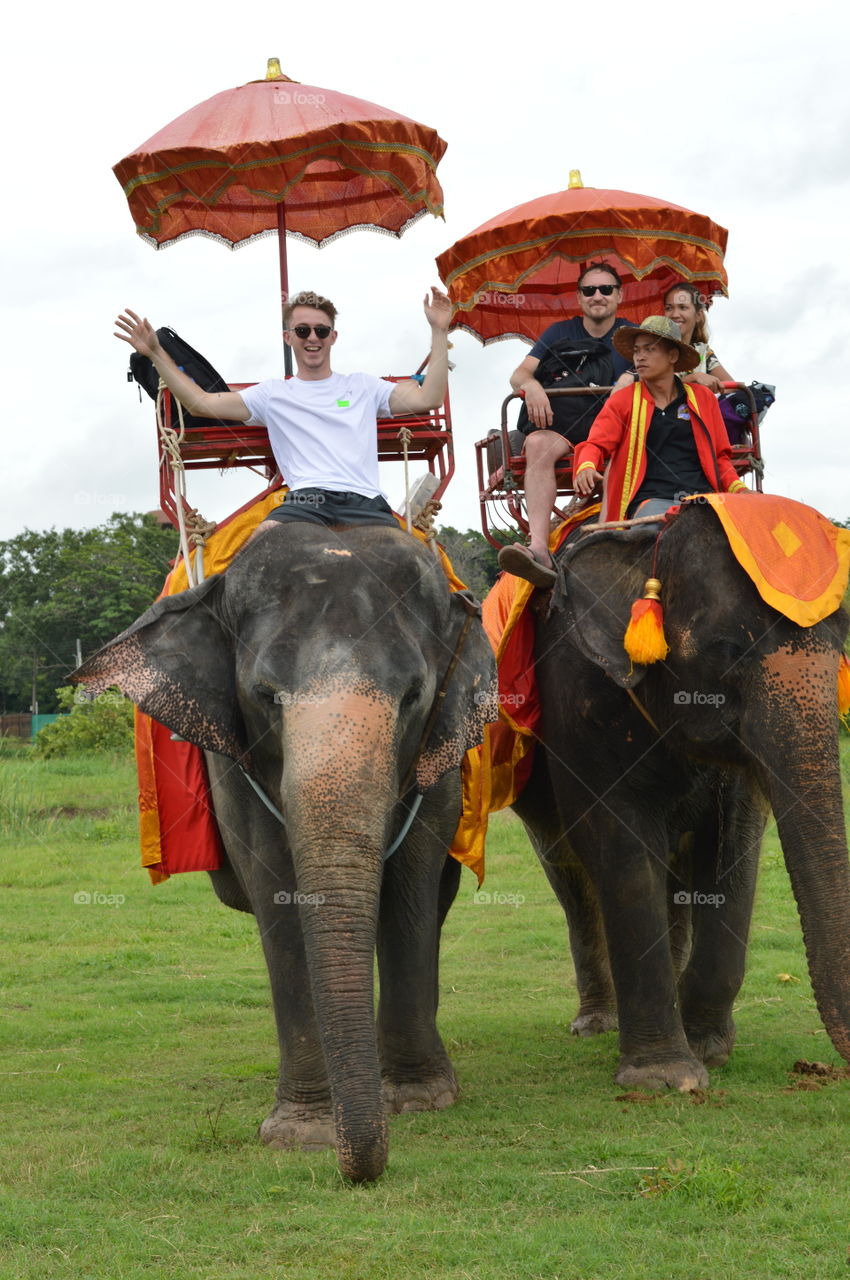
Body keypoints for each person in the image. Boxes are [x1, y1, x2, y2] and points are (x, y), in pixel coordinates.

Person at [114, 288, 452, 531]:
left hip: (365, 501)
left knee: (423, 568)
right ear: (289, 337)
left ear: (333, 337)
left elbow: (429, 399)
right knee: (255, 553)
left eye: (321, 330)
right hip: (305, 503)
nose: (312, 338)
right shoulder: (273, 394)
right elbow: (200, 403)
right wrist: (156, 352)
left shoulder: (363, 387)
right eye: (303, 331)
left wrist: (439, 331)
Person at [498, 261, 635, 586]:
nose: (597, 296)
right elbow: (519, 374)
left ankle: (615, 533)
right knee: (536, 443)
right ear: (579, 297)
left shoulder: (632, 335)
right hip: (566, 426)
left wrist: (632, 376)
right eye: (589, 290)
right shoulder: (559, 332)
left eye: (606, 289)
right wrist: (532, 386)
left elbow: (659, 372)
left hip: (615, 431)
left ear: (619, 295)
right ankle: (539, 547)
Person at [572, 316, 747, 524]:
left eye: (649, 349)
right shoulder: (622, 400)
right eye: (637, 350)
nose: (640, 357)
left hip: (703, 499)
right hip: (650, 501)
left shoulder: (704, 398)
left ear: (672, 355)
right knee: (652, 534)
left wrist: (741, 490)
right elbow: (595, 444)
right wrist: (586, 466)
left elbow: (720, 458)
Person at [663, 282, 734, 393]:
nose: (675, 314)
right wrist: (692, 378)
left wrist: (711, 389)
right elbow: (653, 387)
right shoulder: (655, 348)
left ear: (698, 315)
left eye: (683, 307)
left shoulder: (703, 352)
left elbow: (732, 387)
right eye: (669, 308)